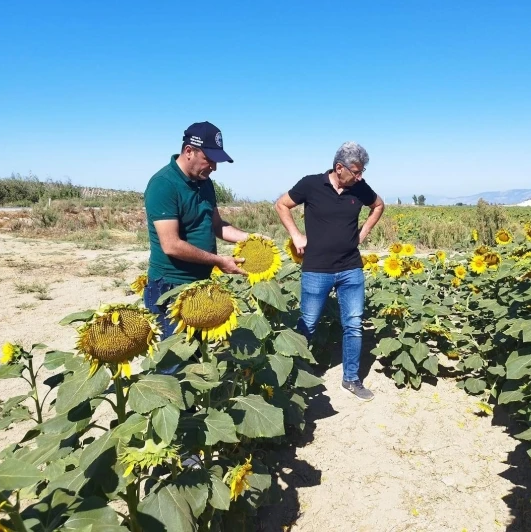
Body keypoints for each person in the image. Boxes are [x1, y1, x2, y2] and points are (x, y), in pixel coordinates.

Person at [274, 141, 385, 401]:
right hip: (316, 269)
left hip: (350, 268)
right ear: (339, 167)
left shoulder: (360, 188)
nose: (360, 177)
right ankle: (295, 376)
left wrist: (363, 233)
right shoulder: (311, 184)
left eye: (362, 172)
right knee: (308, 324)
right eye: (356, 172)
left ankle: (351, 379)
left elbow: (378, 205)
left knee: (354, 325)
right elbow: (281, 205)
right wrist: (296, 235)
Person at [143, 121, 252, 339]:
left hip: (201, 282)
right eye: (209, 159)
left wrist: (250, 238)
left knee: (195, 353)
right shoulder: (163, 184)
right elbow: (171, 245)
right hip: (171, 285)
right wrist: (219, 261)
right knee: (173, 359)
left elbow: (217, 225)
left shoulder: (205, 183)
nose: (214, 167)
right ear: (189, 151)